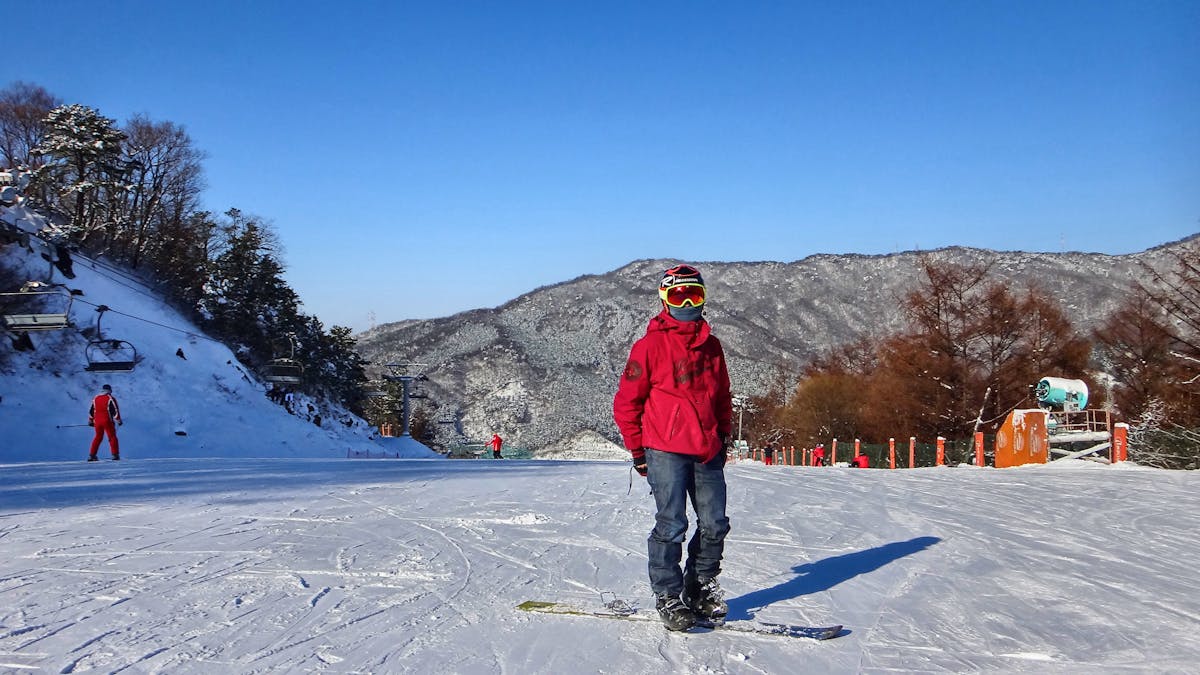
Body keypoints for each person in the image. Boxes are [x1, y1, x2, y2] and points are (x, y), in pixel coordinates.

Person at [613, 263, 733, 632]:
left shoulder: (712, 347)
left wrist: (723, 436)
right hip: (665, 448)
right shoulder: (649, 347)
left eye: (694, 295)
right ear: (664, 299)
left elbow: (722, 397)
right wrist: (638, 451)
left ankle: (699, 587)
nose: (687, 303)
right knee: (672, 523)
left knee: (715, 524)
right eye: (679, 296)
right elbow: (626, 403)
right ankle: (667, 593)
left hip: (706, 448)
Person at [88, 384, 122, 461]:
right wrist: (118, 420)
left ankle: (92, 455)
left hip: (97, 421)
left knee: (98, 437)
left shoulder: (96, 398)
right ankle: (115, 455)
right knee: (112, 437)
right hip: (107, 421)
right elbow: (115, 410)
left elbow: (91, 410)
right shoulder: (110, 398)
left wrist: (90, 420)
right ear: (109, 390)